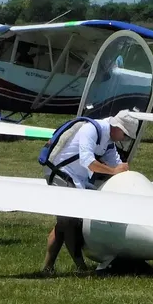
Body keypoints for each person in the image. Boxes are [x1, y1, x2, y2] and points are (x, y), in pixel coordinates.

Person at [40, 111, 139, 276]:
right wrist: (114, 171)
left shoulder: (108, 141)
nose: (124, 139)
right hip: (59, 172)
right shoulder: (91, 130)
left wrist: (128, 177)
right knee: (70, 220)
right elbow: (88, 162)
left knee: (64, 223)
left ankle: (47, 268)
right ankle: (80, 267)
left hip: (76, 177)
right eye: (125, 134)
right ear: (117, 127)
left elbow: (118, 165)